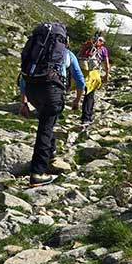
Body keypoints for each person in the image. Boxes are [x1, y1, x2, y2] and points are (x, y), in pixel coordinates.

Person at [19, 31, 85, 188]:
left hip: (32, 90)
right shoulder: (67, 54)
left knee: (46, 122)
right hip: (52, 92)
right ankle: (37, 173)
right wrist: (77, 100)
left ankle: (51, 155)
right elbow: (80, 80)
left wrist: (24, 102)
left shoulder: (38, 55)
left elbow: (23, 79)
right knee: (45, 128)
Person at [78, 33, 111, 127]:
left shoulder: (87, 46)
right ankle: (86, 118)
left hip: (82, 71)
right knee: (89, 95)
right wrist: (106, 75)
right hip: (93, 73)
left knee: (82, 92)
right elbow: (107, 65)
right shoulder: (103, 50)